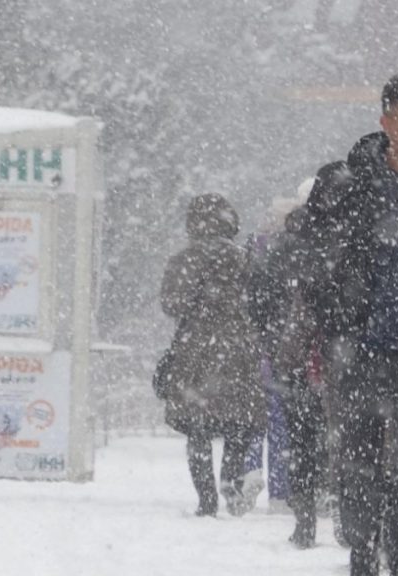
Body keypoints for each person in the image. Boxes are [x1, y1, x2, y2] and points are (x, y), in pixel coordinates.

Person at [303, 73, 398, 576]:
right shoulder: (343, 184)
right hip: (360, 350)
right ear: (387, 123)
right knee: (358, 472)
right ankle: (363, 558)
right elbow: (310, 261)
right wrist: (338, 322)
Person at [159, 193, 267, 517]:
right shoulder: (244, 258)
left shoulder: (183, 259)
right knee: (238, 424)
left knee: (198, 428)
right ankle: (230, 480)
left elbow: (171, 305)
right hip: (239, 349)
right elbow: (261, 302)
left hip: (195, 350)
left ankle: (206, 499)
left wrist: (199, 302)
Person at [249, 183, 330, 548]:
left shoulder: (284, 245)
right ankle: (339, 506)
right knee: (337, 437)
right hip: (336, 358)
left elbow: (258, 298)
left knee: (300, 439)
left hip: (292, 358)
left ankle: (305, 515)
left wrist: (273, 337)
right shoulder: (346, 241)